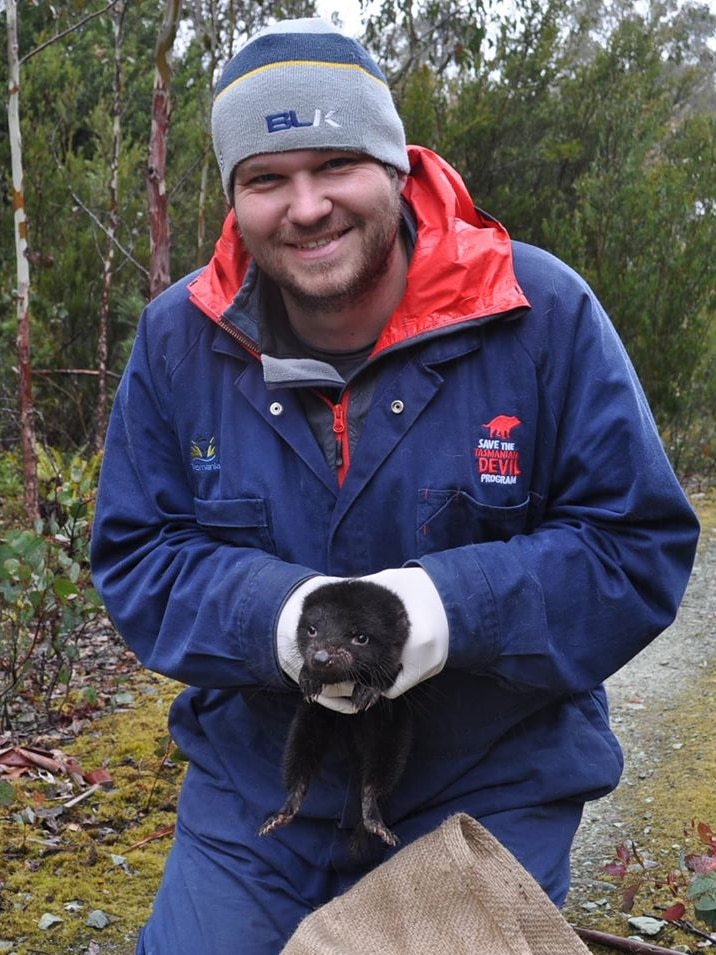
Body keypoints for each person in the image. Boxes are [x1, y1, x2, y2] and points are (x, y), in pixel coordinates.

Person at [90, 16, 700, 955]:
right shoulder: (181, 339)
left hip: (491, 776)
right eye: (265, 178)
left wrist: (436, 609)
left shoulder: (539, 314)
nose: (305, 207)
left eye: (335, 164)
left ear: (397, 169)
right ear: (234, 198)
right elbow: (139, 552)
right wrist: (282, 621)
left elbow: (635, 547)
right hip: (259, 789)